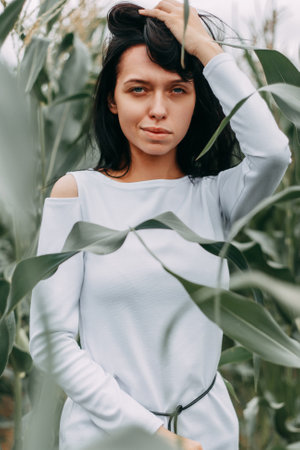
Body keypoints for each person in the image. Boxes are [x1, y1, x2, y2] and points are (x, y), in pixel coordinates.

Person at [29, 1, 291, 449]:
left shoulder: (217, 198)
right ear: (112, 99)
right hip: (106, 438)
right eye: (138, 89)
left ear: (196, 99)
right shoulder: (77, 195)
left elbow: (273, 154)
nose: (157, 109)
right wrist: (153, 436)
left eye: (177, 90)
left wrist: (207, 51)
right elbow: (50, 342)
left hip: (208, 435)